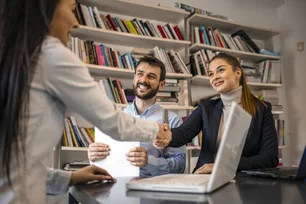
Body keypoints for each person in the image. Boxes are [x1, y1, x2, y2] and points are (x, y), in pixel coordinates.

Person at [0, 0, 171, 203]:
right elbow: (114, 122)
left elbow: (20, 167)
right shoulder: (50, 53)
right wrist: (156, 130)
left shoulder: (15, 54)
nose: (75, 22)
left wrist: (71, 177)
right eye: (71, 10)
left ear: (162, 84)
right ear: (44, 10)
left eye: (151, 76)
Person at [157, 52, 279, 174]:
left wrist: (222, 166)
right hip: (205, 178)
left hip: (242, 180)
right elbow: (184, 132)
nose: (214, 77)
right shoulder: (206, 107)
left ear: (238, 72)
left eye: (220, 70)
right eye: (211, 74)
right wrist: (168, 136)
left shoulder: (262, 109)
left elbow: (269, 158)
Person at [88, 56, 186, 177]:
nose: (143, 80)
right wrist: (93, 157)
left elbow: (180, 166)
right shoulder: (116, 117)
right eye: (140, 74)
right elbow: (103, 163)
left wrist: (148, 162)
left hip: (153, 190)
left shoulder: (172, 120)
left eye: (151, 76)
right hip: (115, 185)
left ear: (161, 84)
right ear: (134, 77)